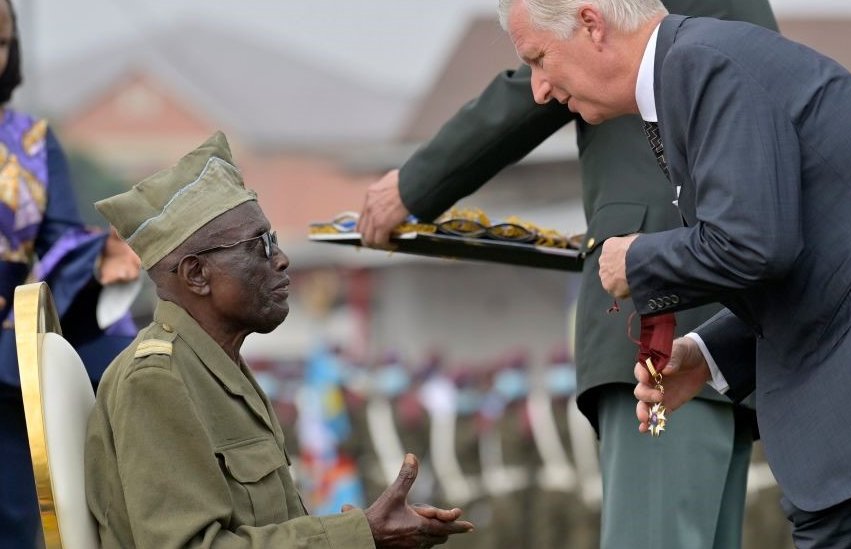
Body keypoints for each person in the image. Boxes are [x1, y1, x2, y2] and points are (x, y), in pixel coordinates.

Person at [497, 0, 851, 545]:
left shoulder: (703, 66)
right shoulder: (699, 64)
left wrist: (638, 258)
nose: (538, 89)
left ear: (590, 23)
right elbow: (807, 247)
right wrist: (708, 355)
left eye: (538, 59)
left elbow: (754, 244)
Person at [356, 0, 776, 546]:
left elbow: (552, 63)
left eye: (537, 61)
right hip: (720, 312)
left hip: (661, 309)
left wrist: (412, 187)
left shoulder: (586, 30)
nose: (539, 84)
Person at [87, 131, 474, 548]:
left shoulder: (217, 367)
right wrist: (359, 535)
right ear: (197, 274)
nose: (281, 258)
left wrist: (366, 533)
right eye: (259, 245)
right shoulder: (156, 380)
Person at [0, 0, 142, 545]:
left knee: (13, 522)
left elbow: (61, 245)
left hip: (3, 365)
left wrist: (99, 258)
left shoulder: (33, 143)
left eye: (3, 42)